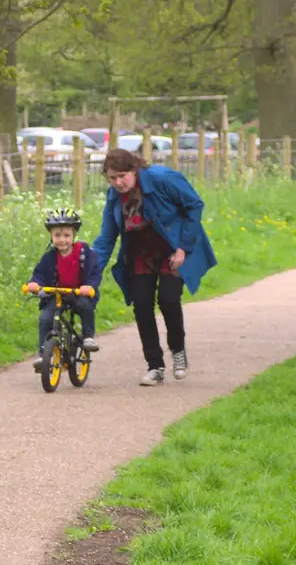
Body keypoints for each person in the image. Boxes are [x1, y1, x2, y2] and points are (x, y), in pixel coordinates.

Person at [91, 148, 216, 386]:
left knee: (169, 299)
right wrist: (90, 270)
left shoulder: (162, 179)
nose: (118, 182)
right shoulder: (114, 196)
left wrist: (183, 248)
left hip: (172, 248)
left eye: (122, 176)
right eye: (112, 178)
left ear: (134, 170)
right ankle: (155, 366)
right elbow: (107, 237)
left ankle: (178, 352)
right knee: (141, 304)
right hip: (140, 252)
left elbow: (194, 205)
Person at [24, 209, 102, 372]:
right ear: (51, 236)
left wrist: (89, 285)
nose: (62, 240)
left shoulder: (85, 253)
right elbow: (39, 274)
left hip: (78, 293)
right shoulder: (49, 257)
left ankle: (88, 337)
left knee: (85, 307)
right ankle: (43, 354)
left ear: (73, 235)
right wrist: (34, 283)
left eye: (66, 235)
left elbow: (95, 271)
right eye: (57, 235)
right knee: (45, 318)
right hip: (57, 294)